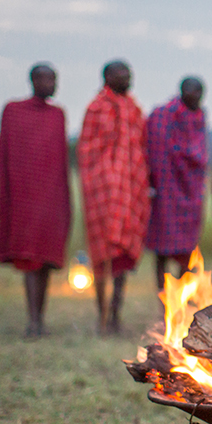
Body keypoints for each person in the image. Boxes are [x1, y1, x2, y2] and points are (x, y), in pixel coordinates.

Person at [0, 62, 72, 339]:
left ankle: (41, 317)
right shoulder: (14, 111)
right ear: (34, 81)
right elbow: (6, 154)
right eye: (47, 79)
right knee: (29, 257)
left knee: (46, 260)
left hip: (51, 197)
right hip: (26, 196)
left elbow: (60, 160)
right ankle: (33, 321)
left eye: (55, 79)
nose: (53, 85)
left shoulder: (57, 115)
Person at [77, 60, 149, 335]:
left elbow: (139, 147)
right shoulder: (96, 108)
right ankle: (102, 313)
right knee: (102, 254)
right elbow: (87, 149)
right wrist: (103, 177)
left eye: (130, 74)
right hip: (103, 191)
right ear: (107, 77)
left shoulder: (133, 108)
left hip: (130, 189)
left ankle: (116, 313)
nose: (128, 78)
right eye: (122, 74)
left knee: (121, 254)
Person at [145, 77, 208, 290]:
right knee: (162, 249)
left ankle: (179, 298)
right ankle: (163, 299)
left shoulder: (199, 117)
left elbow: (199, 154)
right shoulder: (163, 116)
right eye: (193, 92)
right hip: (166, 191)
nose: (197, 96)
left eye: (200, 92)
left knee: (188, 248)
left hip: (191, 193)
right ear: (182, 91)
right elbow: (154, 152)